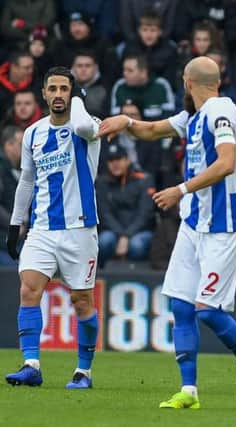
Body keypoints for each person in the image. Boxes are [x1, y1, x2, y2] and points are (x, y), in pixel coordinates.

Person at [96, 56, 236, 409]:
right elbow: (153, 130)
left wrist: (181, 189)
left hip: (222, 226)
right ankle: (189, 391)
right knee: (181, 307)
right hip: (193, 225)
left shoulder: (221, 112)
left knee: (207, 310)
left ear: (187, 82)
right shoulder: (194, 117)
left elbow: (226, 162)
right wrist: (126, 121)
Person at [4, 66, 101, 389]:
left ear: (72, 94)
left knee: (82, 301)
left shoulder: (87, 127)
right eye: (53, 89)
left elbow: (85, 124)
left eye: (64, 89)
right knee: (28, 289)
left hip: (80, 229)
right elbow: (27, 182)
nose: (58, 94)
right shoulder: (33, 133)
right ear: (43, 93)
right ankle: (31, 364)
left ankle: (83, 371)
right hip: (43, 228)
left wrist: (79, 103)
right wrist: (15, 225)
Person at [96, 143, 155, 267]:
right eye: (111, 160)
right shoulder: (102, 182)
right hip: (113, 231)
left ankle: (136, 276)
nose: (115, 164)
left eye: (119, 159)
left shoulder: (144, 179)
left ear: (127, 160)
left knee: (136, 245)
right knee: (104, 241)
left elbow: (145, 213)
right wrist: (121, 235)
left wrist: (127, 235)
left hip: (139, 231)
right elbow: (104, 213)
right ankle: (99, 276)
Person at [109, 54, 175, 120]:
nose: (124, 74)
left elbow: (169, 116)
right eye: (124, 70)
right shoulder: (119, 85)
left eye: (130, 70)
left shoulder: (161, 85)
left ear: (143, 72)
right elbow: (113, 116)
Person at [0, 126, 23, 266]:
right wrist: (14, 224)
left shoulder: (22, 170)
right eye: (21, 145)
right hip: (4, 238)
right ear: (9, 145)